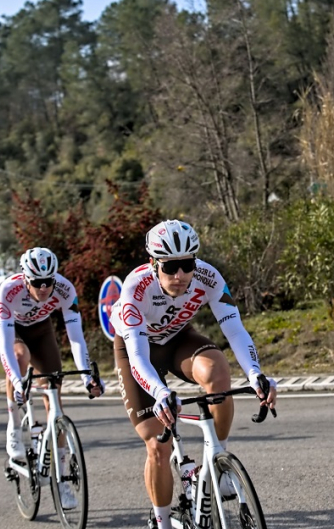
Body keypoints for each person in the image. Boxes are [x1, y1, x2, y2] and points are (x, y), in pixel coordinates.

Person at [110, 219, 277, 529]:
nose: (180, 275)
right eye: (170, 267)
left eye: (187, 264)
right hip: (138, 351)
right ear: (153, 263)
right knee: (158, 447)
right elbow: (137, 356)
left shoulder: (208, 277)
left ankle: (219, 462)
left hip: (177, 340)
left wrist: (256, 374)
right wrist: (160, 393)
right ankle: (161, 522)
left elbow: (235, 330)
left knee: (217, 371)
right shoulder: (136, 287)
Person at [0, 247, 104, 510]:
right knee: (20, 356)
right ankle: (14, 425)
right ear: (25, 278)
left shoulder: (64, 289)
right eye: (37, 283)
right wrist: (17, 380)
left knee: (54, 400)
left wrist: (88, 376)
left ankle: (63, 479)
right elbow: (8, 347)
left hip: (41, 331)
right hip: (12, 331)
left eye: (48, 282)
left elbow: (76, 338)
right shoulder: (9, 290)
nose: (44, 288)